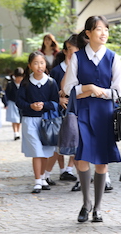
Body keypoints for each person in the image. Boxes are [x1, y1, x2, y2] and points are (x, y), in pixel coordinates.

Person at [63, 15, 121, 223]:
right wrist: (87, 88)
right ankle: (85, 203)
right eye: (99, 29)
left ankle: (97, 207)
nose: (104, 32)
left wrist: (98, 92)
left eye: (106, 29)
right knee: (81, 159)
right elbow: (68, 88)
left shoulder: (114, 58)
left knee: (102, 162)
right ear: (88, 34)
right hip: (83, 114)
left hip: (105, 115)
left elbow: (119, 92)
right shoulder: (78, 57)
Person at [16, 51, 60, 194]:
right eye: (36, 63)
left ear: (45, 65)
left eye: (42, 63)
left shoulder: (51, 82)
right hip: (30, 121)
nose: (39, 66)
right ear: (30, 66)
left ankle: (42, 178)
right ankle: (37, 181)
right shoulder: (26, 82)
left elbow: (55, 102)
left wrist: (44, 105)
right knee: (36, 151)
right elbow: (19, 101)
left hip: (46, 122)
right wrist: (30, 106)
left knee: (45, 152)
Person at [44, 35, 79, 185]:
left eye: (75, 48)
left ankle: (71, 170)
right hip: (60, 113)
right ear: (64, 51)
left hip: (76, 110)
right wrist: (59, 99)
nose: (72, 52)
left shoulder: (82, 67)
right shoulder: (57, 71)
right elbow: (50, 92)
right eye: (70, 49)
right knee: (58, 145)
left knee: (76, 143)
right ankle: (46, 174)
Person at [5, 67, 25, 140]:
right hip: (12, 103)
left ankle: (18, 132)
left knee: (19, 119)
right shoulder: (10, 84)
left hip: (21, 103)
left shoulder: (24, 85)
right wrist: (5, 103)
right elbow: (6, 94)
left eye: (21, 77)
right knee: (14, 119)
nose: (19, 79)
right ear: (15, 77)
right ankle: (15, 133)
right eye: (18, 77)